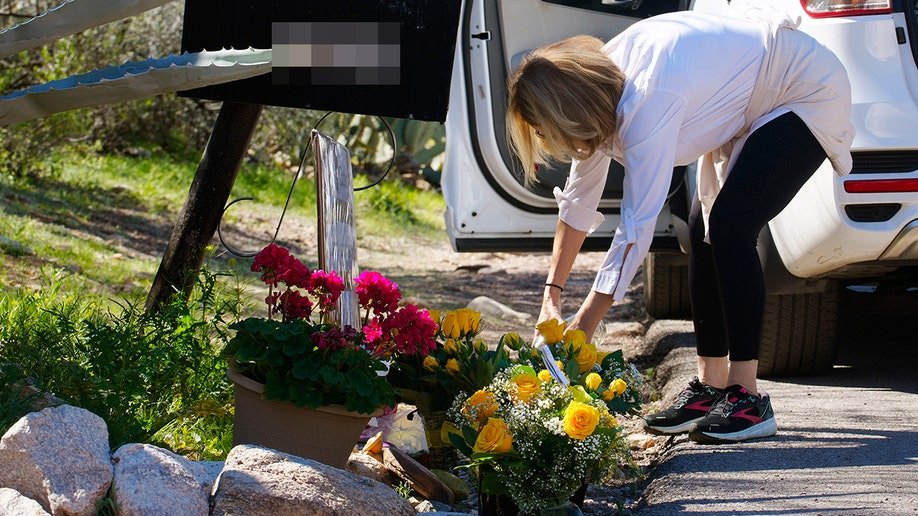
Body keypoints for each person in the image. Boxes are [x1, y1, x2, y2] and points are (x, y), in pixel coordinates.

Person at [507, 9, 853, 444]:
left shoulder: (646, 100)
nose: (545, 140)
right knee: (702, 228)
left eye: (542, 129)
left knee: (730, 224)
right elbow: (578, 201)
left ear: (566, 111)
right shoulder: (596, 92)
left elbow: (637, 225)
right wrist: (550, 295)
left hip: (803, 89)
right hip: (752, 100)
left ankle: (747, 396)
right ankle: (709, 387)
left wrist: (587, 321)